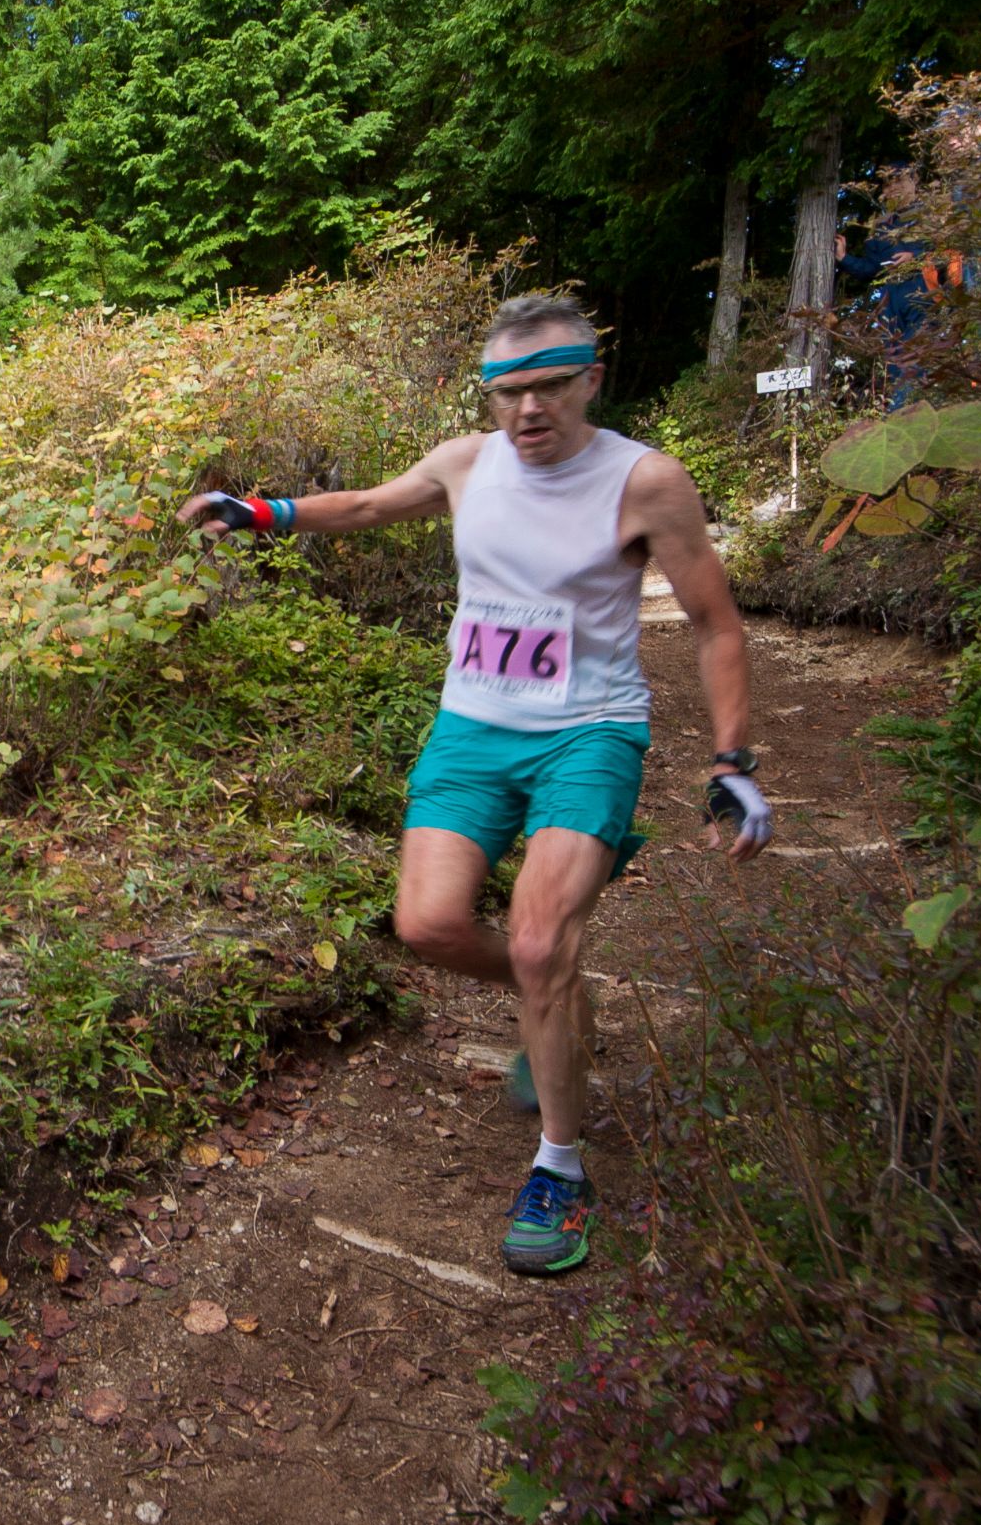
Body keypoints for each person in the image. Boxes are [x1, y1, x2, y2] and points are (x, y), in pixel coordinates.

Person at [180, 293, 772, 1276]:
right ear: (489, 394)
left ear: (591, 377)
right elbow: (369, 505)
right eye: (508, 391)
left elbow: (717, 624)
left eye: (549, 387)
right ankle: (557, 1000)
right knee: (427, 925)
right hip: (472, 732)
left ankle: (560, 1169)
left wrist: (732, 761)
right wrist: (261, 511)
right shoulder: (466, 463)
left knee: (540, 935)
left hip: (589, 735)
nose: (529, 410)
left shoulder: (646, 480)